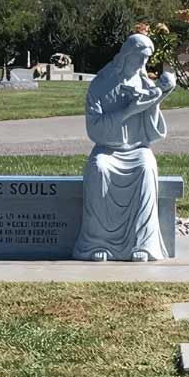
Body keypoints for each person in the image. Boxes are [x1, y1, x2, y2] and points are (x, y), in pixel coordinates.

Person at [74, 33, 177, 262]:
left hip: (137, 149)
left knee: (146, 167)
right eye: (138, 58)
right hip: (107, 150)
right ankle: (97, 243)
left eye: (146, 59)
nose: (142, 64)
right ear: (126, 55)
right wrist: (128, 111)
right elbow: (94, 128)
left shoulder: (145, 84)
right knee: (99, 168)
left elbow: (154, 130)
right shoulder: (101, 85)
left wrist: (156, 100)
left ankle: (142, 243)